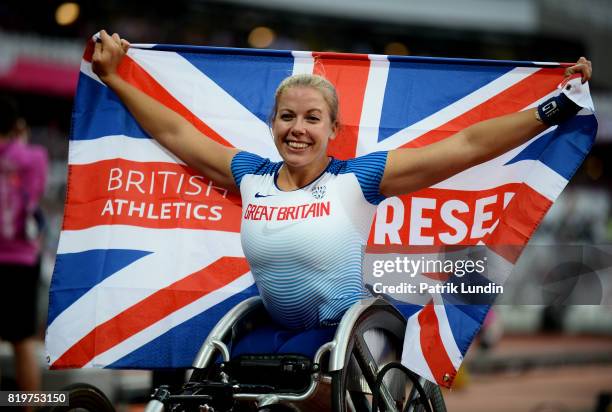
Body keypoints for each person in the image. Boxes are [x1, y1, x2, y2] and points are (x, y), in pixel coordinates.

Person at [91, 30, 592, 357]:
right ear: (272, 125)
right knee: (209, 380)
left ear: (333, 130)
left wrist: (553, 109)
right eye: (287, 116)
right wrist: (115, 77)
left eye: (312, 118)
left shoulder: (360, 178)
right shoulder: (251, 175)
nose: (298, 129)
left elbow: (464, 145)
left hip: (348, 336)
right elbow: (178, 135)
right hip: (274, 330)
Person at [0, 96, 48, 409]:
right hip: (21, 258)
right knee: (23, 342)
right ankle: (29, 407)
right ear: (17, 125)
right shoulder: (34, 157)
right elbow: (33, 198)